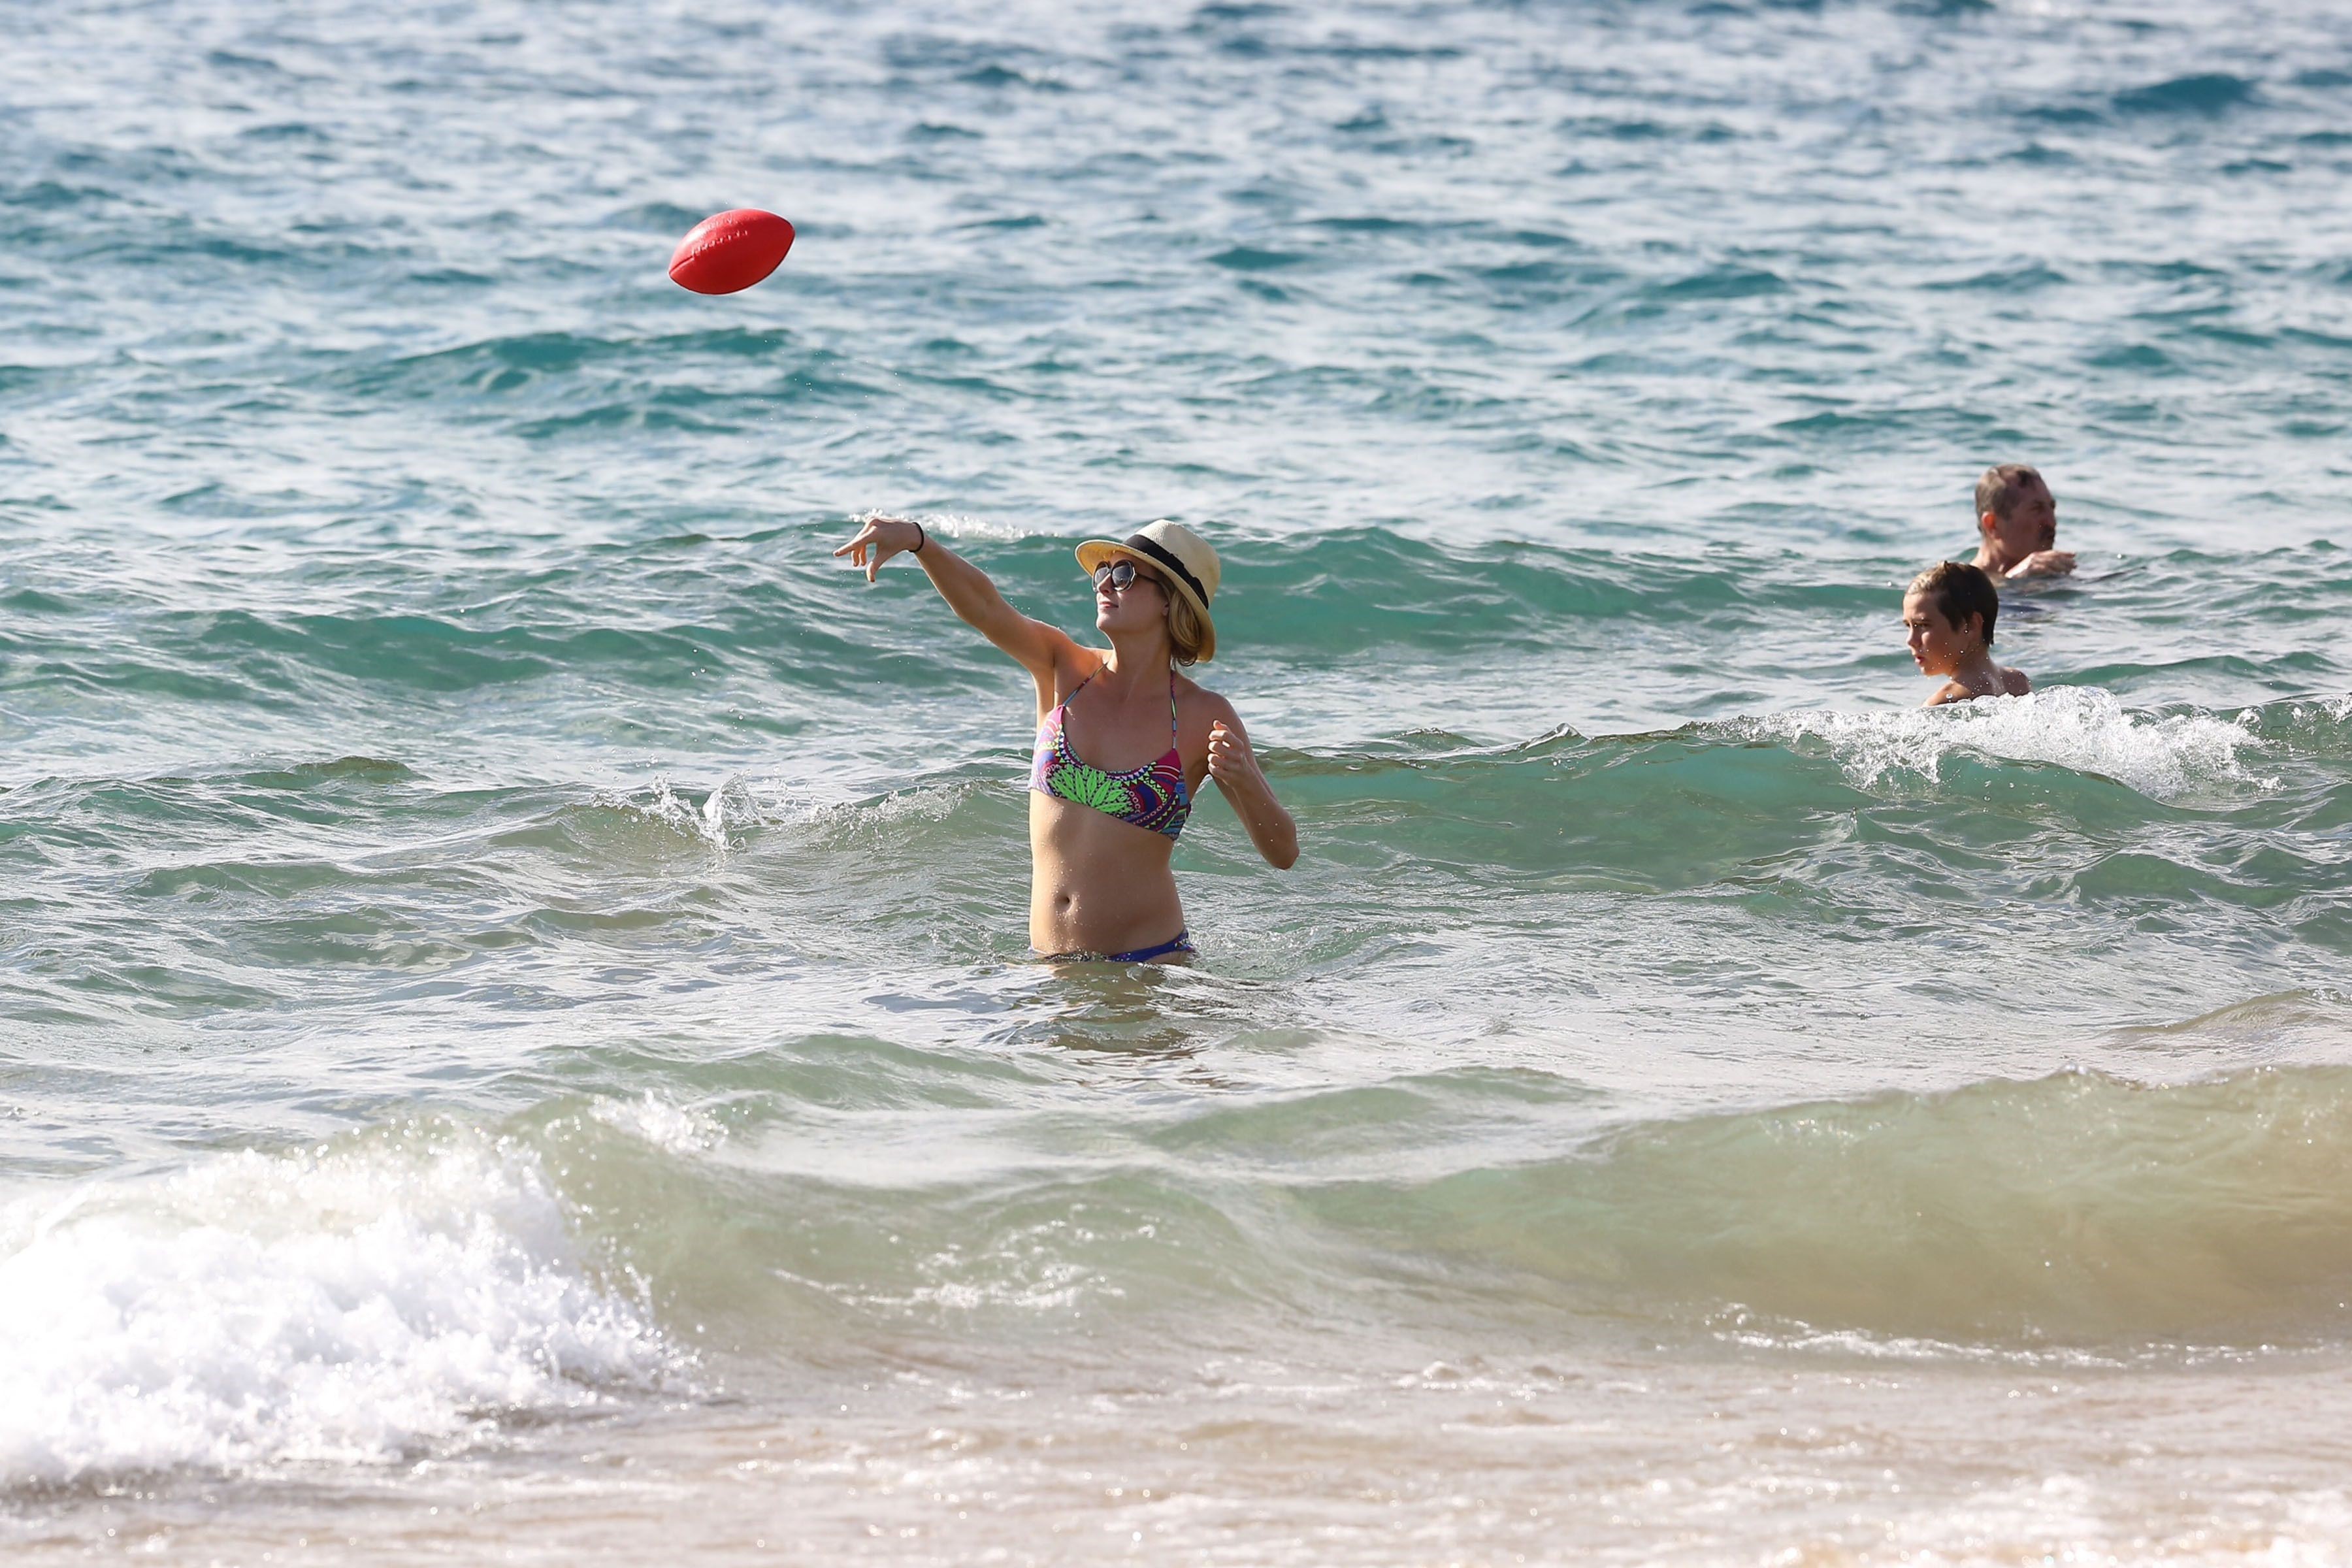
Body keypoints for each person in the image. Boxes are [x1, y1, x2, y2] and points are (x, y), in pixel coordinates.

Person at [832, 515, 1298, 964]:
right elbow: (986, 609)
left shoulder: (1203, 715)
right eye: (1102, 573)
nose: (1105, 585)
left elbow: (1283, 852)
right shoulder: (1063, 669)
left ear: (1168, 601)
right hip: (1050, 967)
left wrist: (1245, 780)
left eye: (1125, 574)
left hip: (1151, 967)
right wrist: (920, 542)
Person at [1904, 561, 2029, 706]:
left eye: (1923, 625)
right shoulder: (2017, 682)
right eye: (1909, 626)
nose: (1911, 640)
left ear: (1971, 625)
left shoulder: (1945, 703)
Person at [1970, 464, 2074, 582]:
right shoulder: (1960, 589)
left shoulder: (2057, 575)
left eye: (2052, 507)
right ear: (1993, 524)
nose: (2052, 523)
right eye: (2037, 509)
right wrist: (2013, 581)